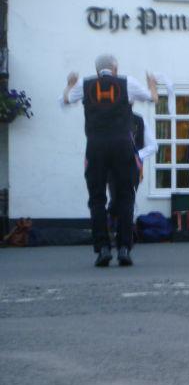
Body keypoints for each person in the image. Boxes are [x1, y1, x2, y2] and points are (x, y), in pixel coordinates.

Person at [60, 54, 157, 266]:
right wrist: (152, 85)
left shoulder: (85, 84)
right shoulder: (127, 82)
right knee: (125, 197)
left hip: (95, 145)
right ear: (115, 68)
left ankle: (103, 248)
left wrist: (69, 85)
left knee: (96, 199)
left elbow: (66, 100)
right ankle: (123, 248)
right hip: (122, 145)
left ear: (97, 71)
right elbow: (152, 98)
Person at [107, 111, 158, 226]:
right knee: (115, 200)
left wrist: (136, 155)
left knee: (129, 200)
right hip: (113, 168)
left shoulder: (139, 120)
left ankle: (126, 235)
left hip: (132, 169)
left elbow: (153, 145)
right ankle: (113, 225)